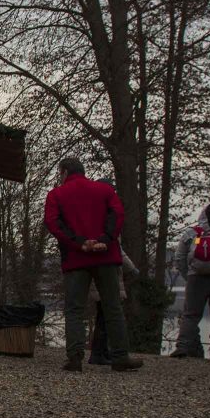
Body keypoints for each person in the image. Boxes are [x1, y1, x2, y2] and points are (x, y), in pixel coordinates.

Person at [44, 157, 143, 372]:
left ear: (64, 172)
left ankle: (75, 357)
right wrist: (104, 240)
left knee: (74, 309)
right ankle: (120, 356)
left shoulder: (56, 195)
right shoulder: (105, 191)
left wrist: (79, 242)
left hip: (75, 259)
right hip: (106, 257)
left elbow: (54, 223)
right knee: (113, 307)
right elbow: (117, 215)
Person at [86, 178, 139, 365]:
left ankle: (100, 351)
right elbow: (117, 249)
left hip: (94, 271)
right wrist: (132, 269)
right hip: (107, 272)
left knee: (103, 315)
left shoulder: (90, 213)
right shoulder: (108, 217)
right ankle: (101, 352)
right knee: (108, 314)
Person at [171, 207, 210, 361]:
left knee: (190, 315)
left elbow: (179, 257)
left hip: (195, 278)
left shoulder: (191, 233)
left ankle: (182, 347)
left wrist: (188, 275)